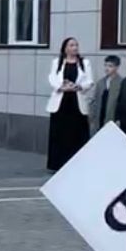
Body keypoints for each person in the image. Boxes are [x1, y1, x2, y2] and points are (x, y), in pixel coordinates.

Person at [45, 37, 94, 173]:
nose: (75, 48)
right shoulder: (57, 62)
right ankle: (57, 164)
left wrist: (79, 86)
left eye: (76, 45)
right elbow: (52, 78)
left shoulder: (84, 63)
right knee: (59, 133)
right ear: (65, 48)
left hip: (77, 101)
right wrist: (61, 87)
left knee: (77, 133)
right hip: (61, 102)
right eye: (71, 45)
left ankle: (79, 163)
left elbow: (89, 81)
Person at [89, 55, 122, 135]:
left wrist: (119, 119)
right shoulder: (100, 82)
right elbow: (94, 101)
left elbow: (123, 104)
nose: (107, 68)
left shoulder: (121, 83)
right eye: (105, 65)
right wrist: (92, 117)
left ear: (116, 67)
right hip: (99, 119)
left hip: (113, 120)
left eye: (110, 66)